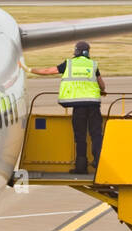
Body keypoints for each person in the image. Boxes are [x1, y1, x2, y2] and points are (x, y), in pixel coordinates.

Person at [29, 41, 106, 175]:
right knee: (96, 135)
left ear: (76, 51)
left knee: (80, 136)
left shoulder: (69, 64)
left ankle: (81, 167)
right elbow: (102, 85)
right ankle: (99, 164)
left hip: (78, 106)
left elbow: (48, 71)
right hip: (93, 105)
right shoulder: (93, 64)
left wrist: (30, 70)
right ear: (88, 52)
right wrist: (102, 90)